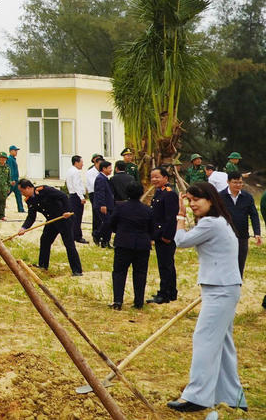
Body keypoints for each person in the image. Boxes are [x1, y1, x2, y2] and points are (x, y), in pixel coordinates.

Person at [166, 181, 247, 413]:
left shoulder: (212, 223)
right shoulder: (218, 221)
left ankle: (198, 396)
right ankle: (233, 397)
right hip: (222, 287)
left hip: (221, 289)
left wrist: (180, 216)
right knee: (223, 343)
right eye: (188, 200)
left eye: (195, 200)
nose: (192, 204)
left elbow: (180, 241)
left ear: (210, 200)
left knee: (204, 341)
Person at [16, 179, 82, 275]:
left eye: (22, 191)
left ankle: (77, 271)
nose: (22, 193)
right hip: (51, 220)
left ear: (28, 188)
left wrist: (67, 211)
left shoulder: (44, 190)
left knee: (69, 244)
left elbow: (63, 196)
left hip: (63, 218)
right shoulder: (29, 200)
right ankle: (43, 265)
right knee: (45, 240)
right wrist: (24, 228)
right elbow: (31, 216)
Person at [105, 182, 152, 309]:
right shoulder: (147, 209)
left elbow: (111, 222)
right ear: (141, 193)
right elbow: (152, 228)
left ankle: (118, 301)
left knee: (119, 272)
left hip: (123, 243)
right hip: (142, 244)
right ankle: (138, 302)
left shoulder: (120, 207)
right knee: (140, 273)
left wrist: (119, 231)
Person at [219, 170, 260, 277]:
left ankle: (237, 286)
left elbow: (254, 215)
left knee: (240, 263)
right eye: (235, 182)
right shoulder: (220, 196)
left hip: (242, 236)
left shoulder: (247, 197)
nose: (238, 185)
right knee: (225, 263)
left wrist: (257, 233)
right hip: (225, 235)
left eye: (240, 182)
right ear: (228, 182)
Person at [149, 166, 179, 304]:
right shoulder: (158, 192)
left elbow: (171, 217)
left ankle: (165, 294)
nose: (154, 179)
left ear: (165, 178)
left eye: (157, 177)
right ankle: (171, 292)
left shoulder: (169, 194)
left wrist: (166, 236)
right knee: (166, 264)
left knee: (166, 265)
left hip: (165, 236)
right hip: (159, 234)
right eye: (152, 177)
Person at [64, 155, 88, 243]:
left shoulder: (69, 171)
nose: (83, 164)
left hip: (72, 196)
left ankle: (73, 234)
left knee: (74, 217)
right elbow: (76, 185)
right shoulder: (76, 172)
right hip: (76, 196)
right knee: (77, 217)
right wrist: (81, 197)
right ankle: (78, 236)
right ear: (76, 162)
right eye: (81, 162)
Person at [92, 159, 116, 248]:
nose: (111, 170)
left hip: (109, 205)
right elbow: (100, 192)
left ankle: (105, 242)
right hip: (103, 206)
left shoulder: (105, 178)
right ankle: (97, 235)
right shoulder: (100, 179)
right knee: (106, 223)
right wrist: (102, 205)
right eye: (109, 168)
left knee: (109, 224)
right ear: (104, 168)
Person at [4, 145, 24, 213]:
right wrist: (11, 180)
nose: (16, 152)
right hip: (13, 180)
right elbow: (10, 170)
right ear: (11, 151)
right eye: (15, 151)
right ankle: (0, 208)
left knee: (19, 194)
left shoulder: (13, 159)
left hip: (16, 180)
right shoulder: (9, 159)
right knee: (6, 194)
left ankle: (21, 209)